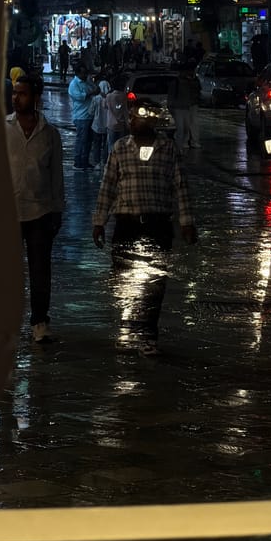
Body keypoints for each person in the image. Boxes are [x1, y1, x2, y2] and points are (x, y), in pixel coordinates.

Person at [92, 97, 198, 355]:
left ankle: (148, 335)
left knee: (154, 283)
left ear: (151, 119)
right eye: (130, 116)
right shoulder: (119, 148)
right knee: (124, 279)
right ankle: (129, 331)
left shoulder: (168, 149)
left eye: (137, 116)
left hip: (157, 224)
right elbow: (108, 185)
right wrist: (99, 221)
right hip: (126, 224)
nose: (132, 120)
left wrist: (187, 222)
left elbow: (180, 186)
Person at [5, 74, 65, 343]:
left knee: (40, 270)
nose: (17, 98)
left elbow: (56, 176)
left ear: (35, 98)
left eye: (23, 93)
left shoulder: (49, 134)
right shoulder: (3, 128)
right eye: (15, 93)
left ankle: (40, 321)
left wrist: (57, 209)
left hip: (40, 211)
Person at [68, 63, 98, 170]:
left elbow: (96, 89)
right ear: (77, 73)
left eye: (86, 73)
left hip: (90, 115)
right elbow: (80, 97)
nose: (85, 75)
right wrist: (91, 92)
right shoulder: (74, 84)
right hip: (81, 117)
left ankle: (85, 161)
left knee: (88, 140)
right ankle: (78, 162)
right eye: (83, 73)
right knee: (81, 140)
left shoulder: (87, 82)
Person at [167, 61, 201, 153]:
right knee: (182, 128)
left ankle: (182, 143)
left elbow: (195, 92)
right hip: (179, 108)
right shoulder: (177, 82)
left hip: (187, 107)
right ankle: (180, 146)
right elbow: (171, 95)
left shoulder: (191, 81)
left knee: (185, 127)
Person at [90, 78, 111, 171]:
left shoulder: (96, 99)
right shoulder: (111, 98)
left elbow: (90, 111)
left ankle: (97, 163)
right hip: (108, 125)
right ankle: (105, 161)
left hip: (97, 125)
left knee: (97, 145)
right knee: (106, 145)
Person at [105, 74, 129, 154]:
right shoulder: (124, 96)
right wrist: (127, 123)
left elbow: (104, 106)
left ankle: (111, 161)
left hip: (111, 124)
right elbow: (125, 111)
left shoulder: (108, 96)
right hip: (121, 124)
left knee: (111, 145)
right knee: (120, 145)